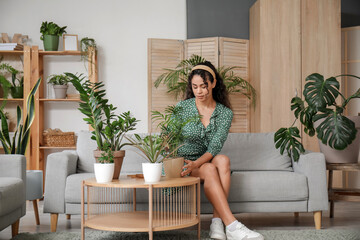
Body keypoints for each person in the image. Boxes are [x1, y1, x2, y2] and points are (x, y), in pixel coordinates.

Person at [176, 61, 264, 240]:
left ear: (213, 83)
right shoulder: (182, 108)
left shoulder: (224, 113)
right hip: (182, 163)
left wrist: (197, 163)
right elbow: (168, 138)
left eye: (203, 86)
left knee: (222, 160)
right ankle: (231, 225)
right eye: (195, 87)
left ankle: (217, 224)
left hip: (203, 160)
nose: (199, 91)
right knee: (209, 167)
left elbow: (214, 147)